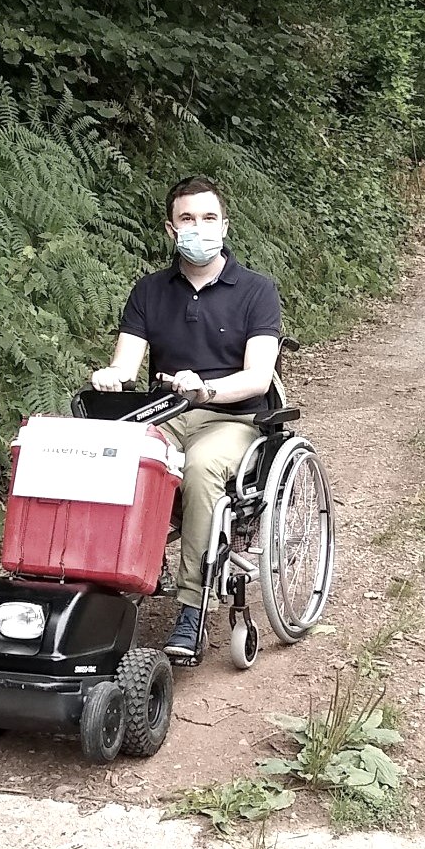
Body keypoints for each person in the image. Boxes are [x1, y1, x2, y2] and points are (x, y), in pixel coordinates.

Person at [91, 175, 282, 663]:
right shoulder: (150, 291)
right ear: (171, 229)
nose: (199, 228)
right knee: (118, 456)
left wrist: (208, 389)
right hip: (166, 412)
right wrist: (111, 376)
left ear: (225, 225)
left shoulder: (257, 291)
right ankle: (113, 579)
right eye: (187, 219)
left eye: (208, 218)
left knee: (199, 468)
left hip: (232, 417)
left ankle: (192, 605)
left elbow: (259, 377)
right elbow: (126, 362)